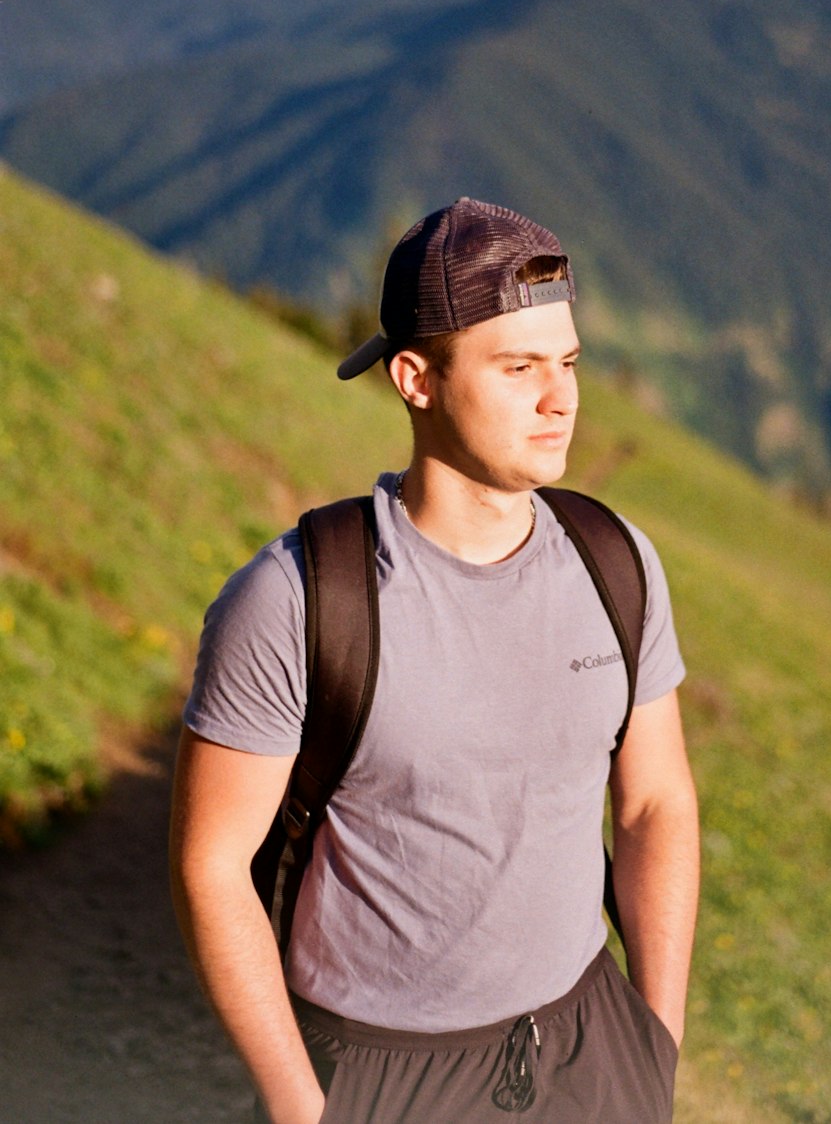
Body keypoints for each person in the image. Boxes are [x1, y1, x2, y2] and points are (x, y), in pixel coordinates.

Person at [170, 197, 700, 1124]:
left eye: (569, 362)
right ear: (416, 377)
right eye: (519, 367)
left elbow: (655, 801)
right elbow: (211, 866)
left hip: (593, 1047)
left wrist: (653, 1046)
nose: (562, 398)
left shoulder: (616, 561)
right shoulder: (299, 601)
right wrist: (306, 1110)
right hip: (380, 1076)